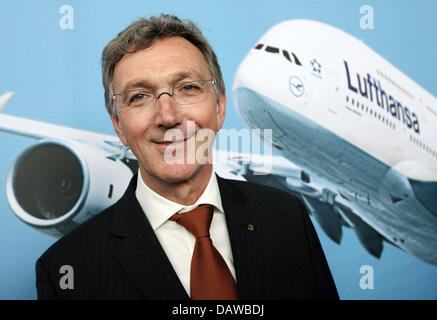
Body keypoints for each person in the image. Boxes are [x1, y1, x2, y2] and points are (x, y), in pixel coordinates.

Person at [35, 14, 339, 300]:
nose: (168, 116)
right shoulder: (67, 269)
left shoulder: (288, 219)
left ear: (220, 108)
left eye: (188, 88)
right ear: (119, 126)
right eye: (139, 96)